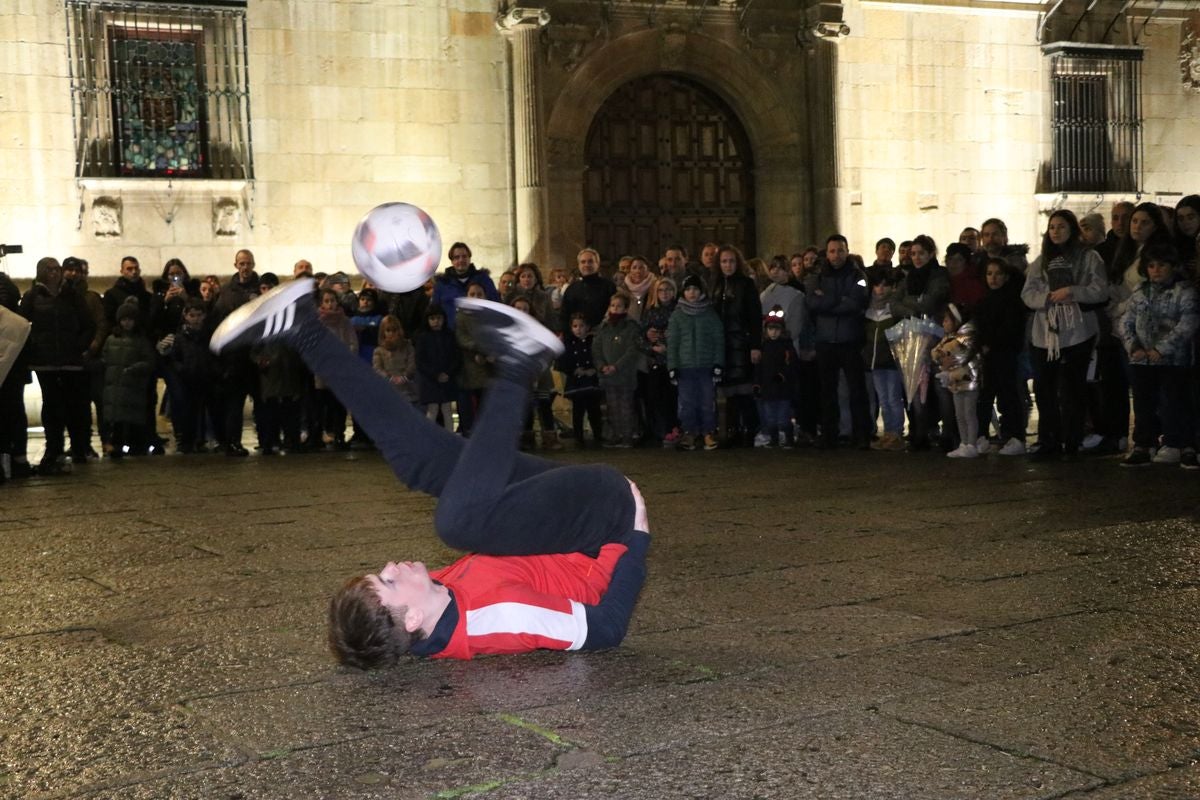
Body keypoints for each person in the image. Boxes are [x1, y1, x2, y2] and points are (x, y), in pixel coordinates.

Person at [208, 282, 650, 665]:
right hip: (603, 524)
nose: (390, 566)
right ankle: (520, 359)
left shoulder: (429, 606)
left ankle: (302, 326)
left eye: (381, 573)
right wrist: (635, 536)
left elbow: (385, 637)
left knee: (418, 462)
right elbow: (606, 629)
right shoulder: (495, 618)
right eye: (388, 581)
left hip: (551, 527)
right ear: (414, 618)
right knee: (459, 523)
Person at [1021, 209, 1108, 460]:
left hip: (1078, 330)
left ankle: (1072, 440)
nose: (1056, 232)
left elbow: (1100, 290)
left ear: (1072, 230)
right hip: (1046, 332)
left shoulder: (1089, 258)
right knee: (1044, 388)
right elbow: (1028, 293)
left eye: (1061, 227)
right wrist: (1046, 298)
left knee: (1073, 388)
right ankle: (1049, 440)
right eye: (1052, 227)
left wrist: (1072, 291)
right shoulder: (1041, 261)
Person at [1119, 243, 1198, 468]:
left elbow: (1188, 323)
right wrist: (1133, 346)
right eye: (1151, 266)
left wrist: (1161, 349)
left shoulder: (1184, 291)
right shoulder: (1140, 292)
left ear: (1172, 266)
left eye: (1162, 265)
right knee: (1143, 403)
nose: (1156, 270)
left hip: (1174, 360)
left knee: (1175, 401)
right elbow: (1126, 321)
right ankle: (1144, 444)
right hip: (1142, 360)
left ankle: (1181, 444)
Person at [20, 257, 95, 473]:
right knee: (52, 405)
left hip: (70, 359)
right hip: (45, 361)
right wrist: (34, 348)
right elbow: (22, 324)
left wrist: (78, 346)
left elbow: (88, 324)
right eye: (49, 269)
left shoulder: (72, 295)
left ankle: (78, 447)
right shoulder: (33, 296)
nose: (54, 272)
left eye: (56, 269)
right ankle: (54, 448)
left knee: (74, 404)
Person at [805, 234, 870, 449]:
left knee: (856, 390)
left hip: (850, 340)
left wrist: (826, 300)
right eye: (832, 251)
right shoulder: (817, 276)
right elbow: (812, 302)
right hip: (825, 341)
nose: (836, 255)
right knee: (827, 390)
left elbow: (856, 302)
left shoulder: (859, 275)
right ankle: (829, 434)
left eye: (840, 250)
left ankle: (861, 434)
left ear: (847, 251)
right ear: (827, 253)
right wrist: (839, 299)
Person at [973, 257, 1028, 456]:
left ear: (1005, 277)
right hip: (988, 356)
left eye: (998, 274)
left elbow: (1011, 329)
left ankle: (1015, 436)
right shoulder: (984, 301)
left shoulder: (1013, 301)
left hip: (1005, 354)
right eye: (989, 274)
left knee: (1008, 395)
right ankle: (981, 435)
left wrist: (990, 343)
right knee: (985, 396)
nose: (993, 278)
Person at [711, 245, 763, 447]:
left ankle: (750, 429)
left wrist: (755, 346)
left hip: (742, 344)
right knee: (727, 392)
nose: (728, 265)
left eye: (731, 261)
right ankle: (731, 430)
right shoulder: (716, 285)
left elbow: (754, 317)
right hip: (722, 345)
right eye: (724, 261)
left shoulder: (746, 285)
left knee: (744, 391)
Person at [667, 274, 724, 451]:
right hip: (685, 367)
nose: (692, 293)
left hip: (706, 366)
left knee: (707, 401)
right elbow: (673, 343)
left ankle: (708, 432)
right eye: (688, 289)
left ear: (701, 291)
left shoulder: (710, 314)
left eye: (695, 289)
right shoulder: (677, 315)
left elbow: (718, 340)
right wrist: (672, 366)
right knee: (686, 403)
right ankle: (689, 432)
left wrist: (718, 363)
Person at [158, 298, 217, 454]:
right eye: (192, 315)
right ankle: (185, 440)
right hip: (185, 379)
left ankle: (199, 440)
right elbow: (174, 358)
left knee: (201, 411)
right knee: (186, 411)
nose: (196, 319)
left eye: (199, 315)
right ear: (185, 316)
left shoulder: (208, 336)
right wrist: (182, 369)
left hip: (203, 378)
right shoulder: (179, 337)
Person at [102, 299, 155, 457]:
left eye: (130, 319)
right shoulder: (112, 339)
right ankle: (116, 445)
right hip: (116, 385)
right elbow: (105, 359)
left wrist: (135, 368)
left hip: (133, 385)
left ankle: (136, 445)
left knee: (133, 418)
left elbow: (149, 361)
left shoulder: (141, 340)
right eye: (124, 319)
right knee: (117, 419)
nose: (127, 323)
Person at [931, 304, 982, 458]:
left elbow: (961, 355)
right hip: (955, 382)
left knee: (969, 413)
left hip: (969, 379)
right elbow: (936, 352)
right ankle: (964, 443)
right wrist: (942, 361)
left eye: (946, 320)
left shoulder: (966, 336)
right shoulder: (948, 337)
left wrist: (944, 360)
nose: (943, 324)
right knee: (959, 414)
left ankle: (971, 444)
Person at [592, 291, 643, 448]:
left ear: (626, 309)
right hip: (608, 374)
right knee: (612, 406)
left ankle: (628, 435)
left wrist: (617, 366)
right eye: (612, 305)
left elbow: (632, 350)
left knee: (626, 405)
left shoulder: (631, 327)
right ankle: (616, 434)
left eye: (619, 306)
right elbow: (596, 349)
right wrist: (602, 366)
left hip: (625, 374)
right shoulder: (603, 327)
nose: (615, 308)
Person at [864, 269, 905, 452]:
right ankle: (888, 433)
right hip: (875, 361)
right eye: (877, 285)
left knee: (893, 397)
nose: (880, 289)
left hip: (891, 360)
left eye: (885, 285)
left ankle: (896, 433)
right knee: (883, 399)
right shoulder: (869, 309)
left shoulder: (895, 310)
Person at [754, 308, 800, 447]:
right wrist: (757, 384)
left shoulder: (786, 346)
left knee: (783, 417)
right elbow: (759, 367)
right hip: (768, 389)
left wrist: (782, 375)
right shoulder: (764, 346)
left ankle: (789, 438)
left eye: (776, 329)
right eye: (770, 329)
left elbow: (791, 364)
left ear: (781, 330)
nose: (773, 332)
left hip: (782, 389)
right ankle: (774, 439)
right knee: (770, 418)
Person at [557, 312, 603, 448]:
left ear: (587, 327)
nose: (578, 329)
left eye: (581, 326)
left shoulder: (593, 341)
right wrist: (573, 370)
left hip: (591, 380)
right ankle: (578, 436)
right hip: (576, 382)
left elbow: (598, 356)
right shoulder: (569, 343)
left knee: (594, 409)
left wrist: (594, 369)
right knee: (578, 410)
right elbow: (563, 361)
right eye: (575, 326)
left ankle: (598, 434)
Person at [430, 242, 500, 330]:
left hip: (479, 331)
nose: (461, 260)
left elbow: (495, 305)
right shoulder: (442, 284)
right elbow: (434, 310)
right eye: (457, 257)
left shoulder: (484, 280)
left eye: (464, 256)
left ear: (469, 258)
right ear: (452, 261)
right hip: (450, 333)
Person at [415, 304, 459, 432]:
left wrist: (448, 373)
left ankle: (450, 437)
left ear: (444, 319)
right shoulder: (422, 337)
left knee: (447, 409)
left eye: (439, 318)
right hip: (431, 380)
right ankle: (429, 437)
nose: (436, 321)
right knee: (432, 409)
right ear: (427, 320)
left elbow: (456, 357)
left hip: (447, 378)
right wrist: (435, 375)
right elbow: (420, 361)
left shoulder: (450, 336)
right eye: (432, 318)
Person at [560, 248, 615, 330]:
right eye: (583, 262)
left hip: (603, 332)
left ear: (597, 264)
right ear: (579, 265)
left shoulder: (608, 286)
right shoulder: (572, 289)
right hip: (576, 335)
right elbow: (565, 315)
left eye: (590, 261)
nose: (586, 265)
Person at [372, 314, 418, 405]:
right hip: (387, 391)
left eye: (394, 330)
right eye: (388, 330)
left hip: (407, 390)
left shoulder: (408, 347)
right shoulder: (379, 351)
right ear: (383, 332)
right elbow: (377, 369)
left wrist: (404, 377)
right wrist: (390, 378)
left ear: (399, 331)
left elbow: (412, 364)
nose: (391, 333)